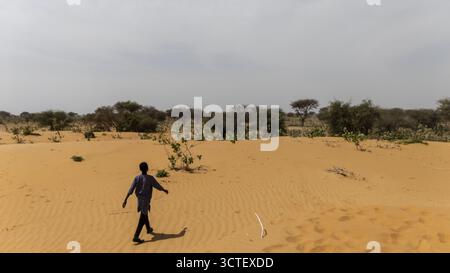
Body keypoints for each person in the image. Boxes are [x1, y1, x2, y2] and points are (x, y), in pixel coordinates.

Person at [122, 162, 169, 243]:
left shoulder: (137, 178)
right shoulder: (150, 178)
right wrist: (164, 190)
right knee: (143, 216)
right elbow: (157, 185)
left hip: (139, 199)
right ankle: (136, 236)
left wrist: (125, 199)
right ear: (147, 168)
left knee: (145, 211)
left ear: (140, 169)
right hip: (146, 199)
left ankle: (148, 229)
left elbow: (131, 189)